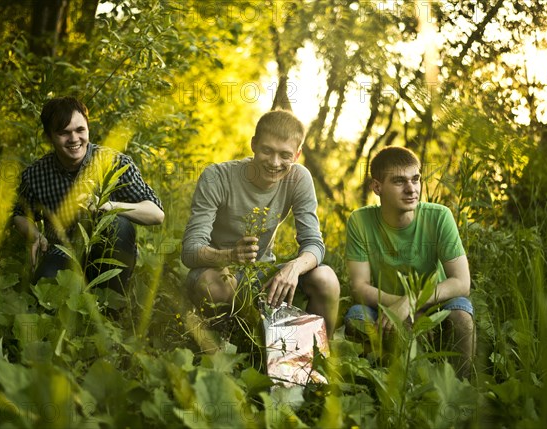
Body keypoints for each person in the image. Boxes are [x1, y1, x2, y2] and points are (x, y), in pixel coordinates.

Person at [181, 110, 340, 337]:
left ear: (296, 155)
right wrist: (229, 256)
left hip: (264, 277)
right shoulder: (217, 177)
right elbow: (190, 252)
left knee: (326, 279)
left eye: (285, 155)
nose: (275, 163)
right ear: (254, 144)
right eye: (267, 150)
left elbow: (314, 244)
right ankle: (224, 348)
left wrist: (293, 268)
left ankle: (320, 359)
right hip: (219, 272)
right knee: (214, 283)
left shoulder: (299, 178)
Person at [344, 146, 475, 378]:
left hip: (437, 302)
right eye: (399, 181)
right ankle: (376, 388)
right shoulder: (360, 221)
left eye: (415, 179)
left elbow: (462, 282)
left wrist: (411, 303)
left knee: (462, 317)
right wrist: (399, 307)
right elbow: (359, 287)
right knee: (356, 317)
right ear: (377, 187)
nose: (411, 189)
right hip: (385, 306)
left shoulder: (439, 216)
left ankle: (459, 390)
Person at [13, 96, 164, 291]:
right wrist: (33, 234)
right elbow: (19, 213)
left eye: (80, 130)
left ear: (88, 128)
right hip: (61, 252)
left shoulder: (115, 163)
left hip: (106, 253)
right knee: (43, 290)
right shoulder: (36, 174)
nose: (74, 139)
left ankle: (110, 311)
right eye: (63, 133)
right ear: (49, 137)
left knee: (118, 224)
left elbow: (156, 214)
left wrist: (106, 206)